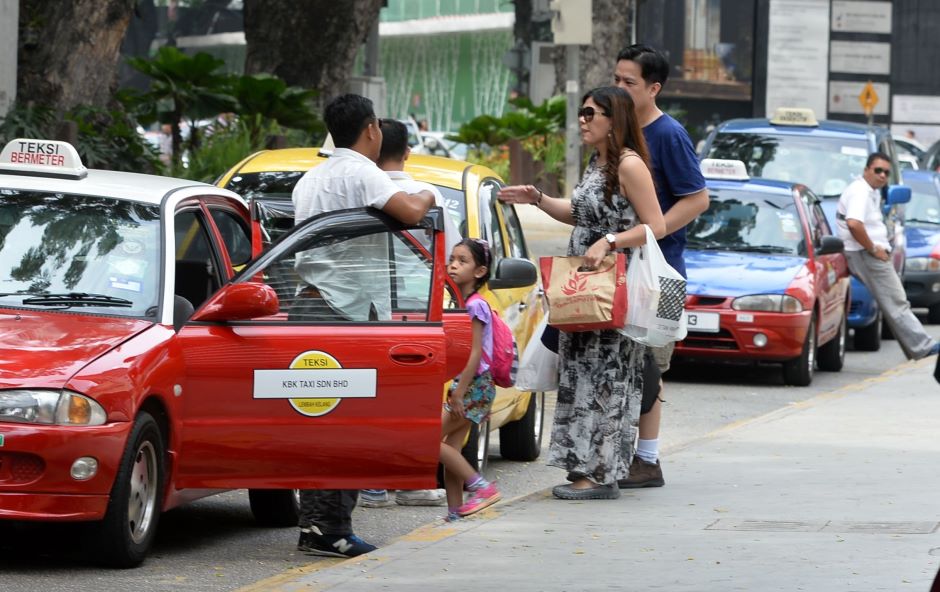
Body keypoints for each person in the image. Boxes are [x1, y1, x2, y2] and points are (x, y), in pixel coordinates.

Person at [498, 86, 666, 499]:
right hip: (582, 285)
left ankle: (603, 474)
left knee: (607, 377)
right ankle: (582, 468)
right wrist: (536, 199)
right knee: (579, 374)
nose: (583, 121)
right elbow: (577, 212)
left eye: (591, 113)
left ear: (615, 119)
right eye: (581, 113)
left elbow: (655, 226)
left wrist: (609, 240)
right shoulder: (598, 163)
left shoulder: (629, 164)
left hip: (613, 285)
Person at [292, 93, 435, 558]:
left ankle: (316, 525)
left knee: (314, 422)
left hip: (307, 308)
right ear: (371, 128)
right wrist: (428, 192)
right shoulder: (361, 171)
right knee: (346, 423)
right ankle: (332, 529)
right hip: (345, 312)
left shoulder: (311, 179)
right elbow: (411, 213)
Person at [612, 44, 709, 488]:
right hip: (621, 269)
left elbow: (697, 198)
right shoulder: (618, 131)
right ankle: (621, 453)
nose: (619, 89)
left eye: (628, 83)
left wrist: (652, 233)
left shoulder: (668, 135)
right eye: (615, 79)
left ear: (654, 88)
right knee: (621, 364)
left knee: (651, 366)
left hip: (663, 273)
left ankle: (647, 459)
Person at [359, 118, 460, 509]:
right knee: (415, 401)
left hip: (370, 312)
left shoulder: (364, 190)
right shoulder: (424, 193)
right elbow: (452, 253)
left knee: (373, 397)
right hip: (422, 311)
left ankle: (372, 484)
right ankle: (410, 481)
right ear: (407, 152)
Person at [836, 152, 939, 360]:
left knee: (893, 301)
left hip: (866, 252)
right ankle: (923, 347)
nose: (882, 176)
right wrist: (873, 248)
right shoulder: (860, 192)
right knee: (896, 300)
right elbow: (854, 223)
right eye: (878, 170)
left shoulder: (869, 191)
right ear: (866, 170)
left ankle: (918, 347)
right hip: (865, 253)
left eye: (886, 172)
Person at [440, 238, 502, 520]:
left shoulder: (475, 305)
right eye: (452, 259)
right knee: (451, 451)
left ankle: (481, 488)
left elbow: (474, 353)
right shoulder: (463, 302)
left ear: (479, 272)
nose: (453, 265)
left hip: (472, 385)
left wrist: (459, 393)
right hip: (474, 386)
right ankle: (455, 511)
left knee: (427, 440)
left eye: (462, 261)